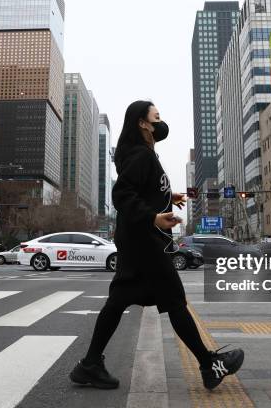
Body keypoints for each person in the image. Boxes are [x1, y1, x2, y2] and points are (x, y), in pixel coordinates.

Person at [69, 101, 244, 390]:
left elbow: (140, 190)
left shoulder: (141, 154)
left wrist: (166, 198)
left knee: (120, 299)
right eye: (156, 117)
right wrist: (153, 217)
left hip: (136, 239)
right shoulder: (141, 155)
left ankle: (89, 364)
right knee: (174, 299)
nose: (161, 122)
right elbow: (122, 194)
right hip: (144, 242)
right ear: (142, 123)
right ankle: (209, 364)